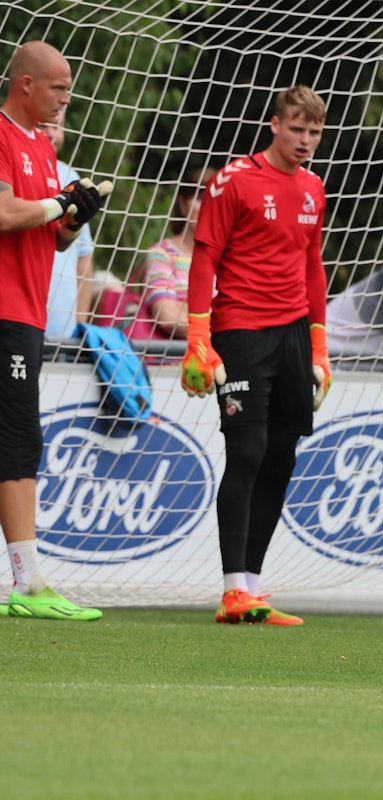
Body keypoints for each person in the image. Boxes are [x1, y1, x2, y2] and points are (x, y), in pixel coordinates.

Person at [181, 85, 331, 626]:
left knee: (281, 458)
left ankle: (252, 588)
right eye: (297, 129)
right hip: (241, 329)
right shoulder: (234, 180)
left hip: (293, 335)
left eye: (314, 132)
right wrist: (199, 336)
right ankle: (231, 590)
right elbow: (205, 260)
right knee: (246, 452)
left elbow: (314, 267)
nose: (306, 141)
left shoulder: (314, 187)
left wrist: (318, 343)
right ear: (274, 125)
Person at [0, 40, 108, 620]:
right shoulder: (0, 135)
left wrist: (72, 218)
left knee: (18, 441)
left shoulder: (43, 147)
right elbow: (3, 212)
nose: (67, 98)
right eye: (59, 87)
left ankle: (25, 580)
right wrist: (53, 203)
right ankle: (28, 583)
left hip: (25, 314)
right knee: (17, 441)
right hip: (4, 314)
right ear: (26, 84)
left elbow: (47, 231)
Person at [120, 166, 216, 345]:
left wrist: (186, 308)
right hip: (169, 363)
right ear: (182, 203)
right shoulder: (161, 254)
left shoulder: (231, 257)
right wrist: (218, 321)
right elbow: (167, 318)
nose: (207, 206)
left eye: (215, 199)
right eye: (200, 198)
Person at [39, 109, 93, 341]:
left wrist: (80, 323)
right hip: (18, 324)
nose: (52, 134)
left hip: (65, 334)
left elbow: (84, 255)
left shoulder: (71, 176)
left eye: (58, 126)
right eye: (44, 126)